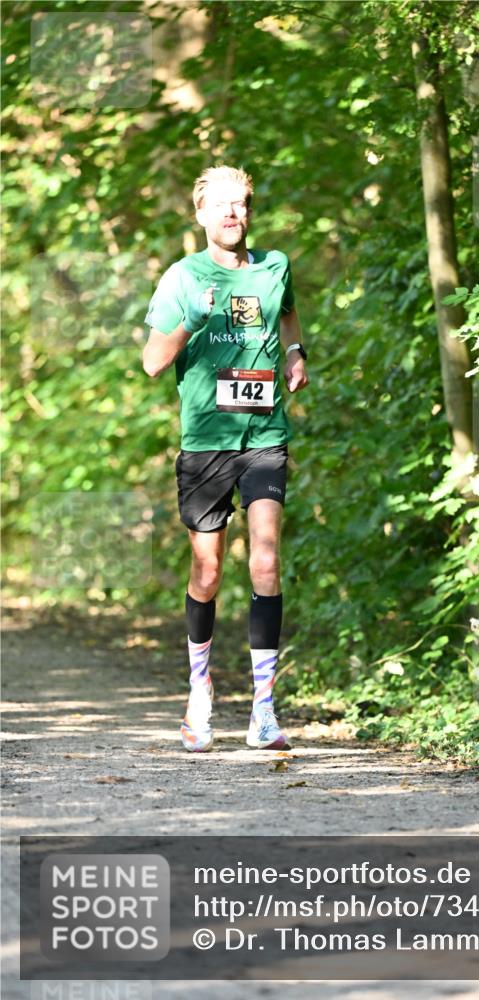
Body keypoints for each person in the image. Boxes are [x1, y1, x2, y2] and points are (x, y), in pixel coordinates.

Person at [142, 164, 308, 753]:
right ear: (201, 215)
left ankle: (264, 708)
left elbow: (286, 311)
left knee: (265, 560)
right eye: (221, 206)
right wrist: (196, 315)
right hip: (205, 442)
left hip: (264, 435)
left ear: (249, 212)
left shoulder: (274, 265)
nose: (232, 214)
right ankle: (199, 689)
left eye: (240, 205)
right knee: (208, 572)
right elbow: (153, 362)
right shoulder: (183, 276)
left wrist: (293, 352)